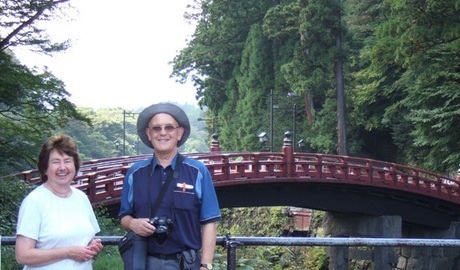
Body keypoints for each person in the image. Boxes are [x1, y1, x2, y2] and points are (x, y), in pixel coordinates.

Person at [119, 103, 221, 270]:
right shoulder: (135, 173)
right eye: (157, 128)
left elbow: (209, 221)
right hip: (144, 262)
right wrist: (133, 224)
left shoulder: (197, 171)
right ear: (149, 134)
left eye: (169, 127)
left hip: (186, 263)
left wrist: (206, 265)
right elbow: (124, 216)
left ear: (179, 133)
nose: (163, 133)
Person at [15, 134, 103, 269]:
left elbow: (85, 238)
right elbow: (23, 255)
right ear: (45, 168)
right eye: (56, 162)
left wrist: (93, 246)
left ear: (75, 166)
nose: (62, 167)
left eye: (67, 161)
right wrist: (68, 252)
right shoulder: (35, 201)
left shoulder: (81, 198)